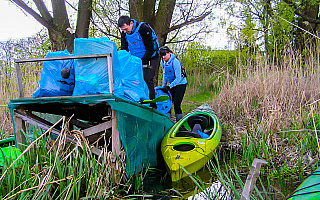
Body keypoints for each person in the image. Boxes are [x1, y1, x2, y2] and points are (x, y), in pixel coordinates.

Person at [118, 15, 160, 108]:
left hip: (151, 57)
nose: (125, 31)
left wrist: (141, 62)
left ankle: (153, 105)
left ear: (131, 23)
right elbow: (124, 50)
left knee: (147, 79)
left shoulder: (144, 29)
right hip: (136, 60)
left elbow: (150, 49)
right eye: (123, 30)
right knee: (132, 79)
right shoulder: (124, 34)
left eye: (126, 29)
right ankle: (137, 101)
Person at [160, 46, 187, 122]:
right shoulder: (163, 62)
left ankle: (179, 123)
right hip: (172, 84)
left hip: (181, 84)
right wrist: (164, 86)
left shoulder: (175, 62)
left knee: (177, 104)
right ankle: (168, 122)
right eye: (162, 55)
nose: (163, 56)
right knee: (168, 103)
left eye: (164, 54)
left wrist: (169, 86)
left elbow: (178, 78)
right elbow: (165, 75)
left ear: (169, 53)